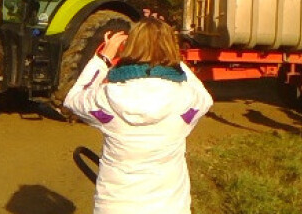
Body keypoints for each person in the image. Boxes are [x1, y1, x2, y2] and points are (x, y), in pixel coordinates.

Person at [63, 17, 213, 214]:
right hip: (169, 207)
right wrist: (175, 60)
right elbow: (204, 96)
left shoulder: (107, 97)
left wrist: (103, 59)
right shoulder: (186, 98)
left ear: (129, 46)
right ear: (172, 48)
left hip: (115, 206)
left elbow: (73, 98)